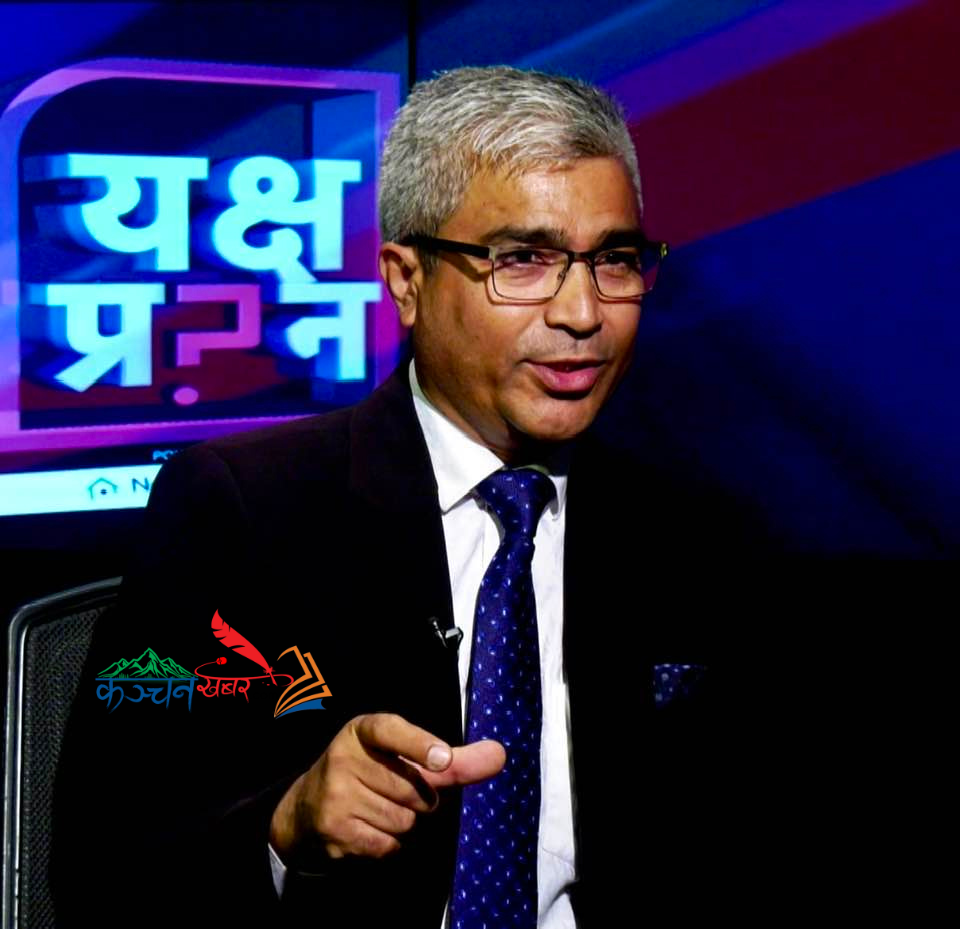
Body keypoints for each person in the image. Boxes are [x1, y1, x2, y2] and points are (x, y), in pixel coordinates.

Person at [55, 66, 759, 928]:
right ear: (406, 279)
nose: (583, 312)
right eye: (523, 260)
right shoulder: (244, 510)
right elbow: (104, 871)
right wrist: (284, 830)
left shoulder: (698, 533)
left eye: (613, 260)